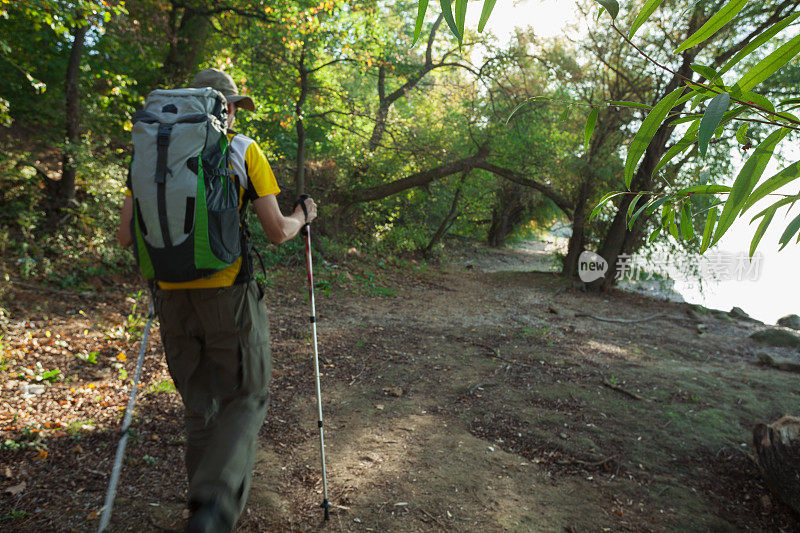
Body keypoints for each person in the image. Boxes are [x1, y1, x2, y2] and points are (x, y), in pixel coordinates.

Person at [117, 68, 317, 532]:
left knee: (199, 400)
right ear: (221, 106)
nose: (234, 113)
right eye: (233, 106)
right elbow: (275, 230)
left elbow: (125, 236)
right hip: (229, 295)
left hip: (169, 300)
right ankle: (213, 507)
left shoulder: (149, 155)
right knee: (247, 395)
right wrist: (303, 216)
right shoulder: (242, 149)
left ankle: (200, 508)